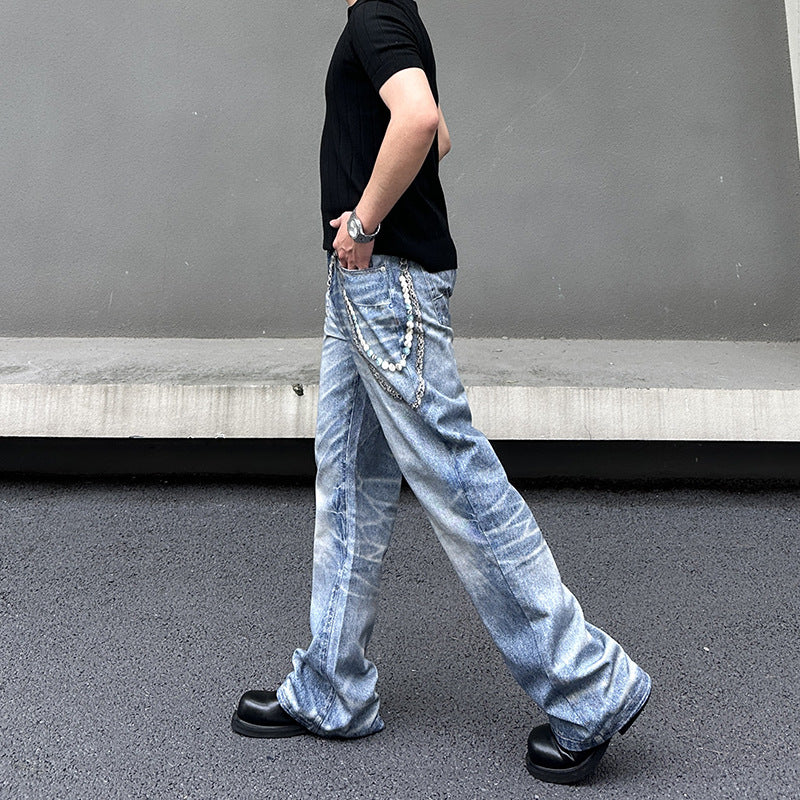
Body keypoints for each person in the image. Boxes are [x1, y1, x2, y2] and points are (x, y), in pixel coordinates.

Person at [232, 0, 651, 785]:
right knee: (348, 482)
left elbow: (420, 121)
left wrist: (362, 223)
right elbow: (439, 134)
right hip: (364, 289)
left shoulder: (375, 15)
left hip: (384, 283)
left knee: (462, 485)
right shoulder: (392, 19)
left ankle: (588, 687)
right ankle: (331, 688)